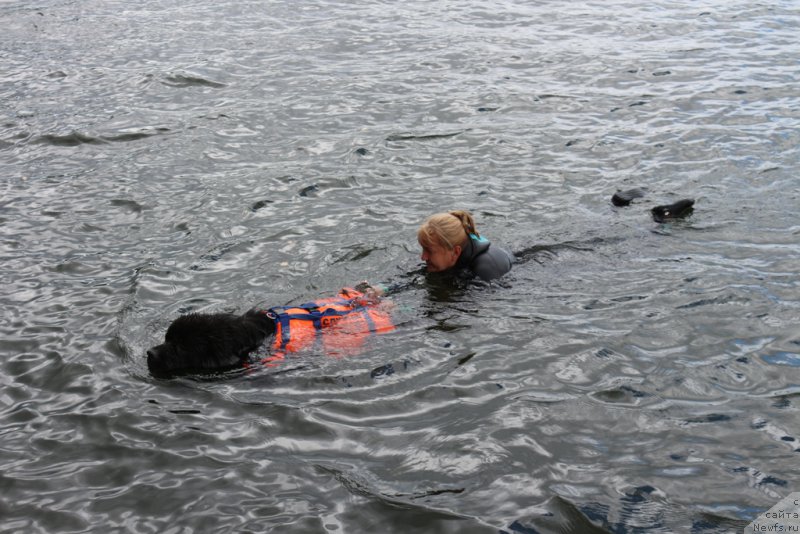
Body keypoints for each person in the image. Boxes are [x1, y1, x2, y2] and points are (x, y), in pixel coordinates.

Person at [417, 210, 512, 281]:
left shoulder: (485, 272)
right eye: (423, 249)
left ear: (456, 252)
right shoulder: (445, 258)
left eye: (430, 251)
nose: (423, 257)